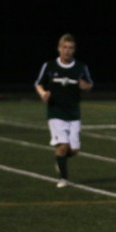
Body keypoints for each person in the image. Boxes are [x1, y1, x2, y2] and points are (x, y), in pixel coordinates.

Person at [34, 33, 93, 188]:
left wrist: (85, 86)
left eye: (71, 48)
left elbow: (89, 84)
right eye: (65, 47)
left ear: (74, 50)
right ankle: (63, 179)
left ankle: (59, 159)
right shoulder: (49, 66)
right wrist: (43, 94)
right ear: (59, 48)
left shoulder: (81, 67)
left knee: (74, 150)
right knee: (62, 146)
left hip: (73, 113)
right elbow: (38, 83)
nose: (67, 50)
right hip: (56, 112)